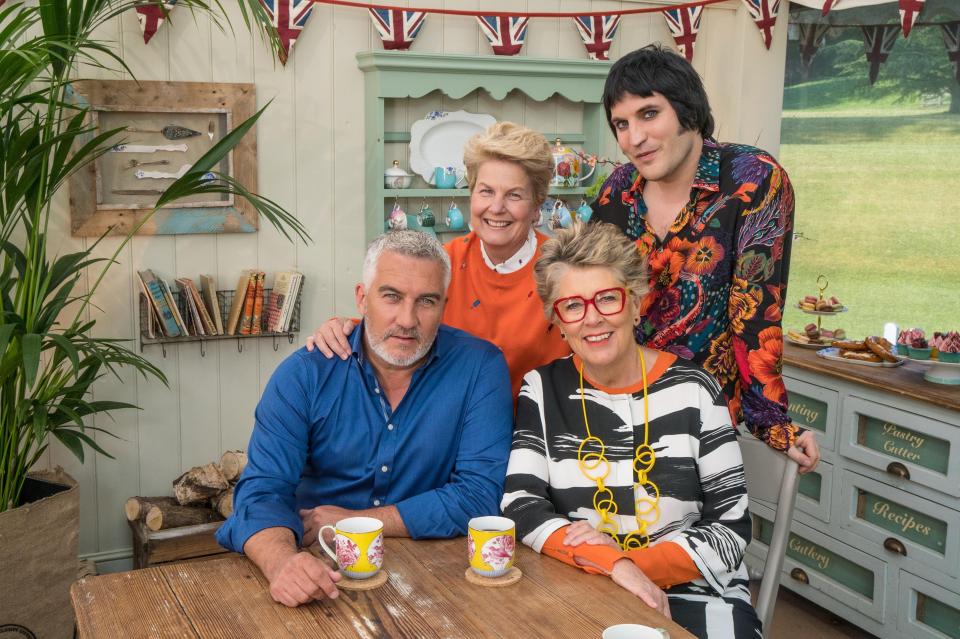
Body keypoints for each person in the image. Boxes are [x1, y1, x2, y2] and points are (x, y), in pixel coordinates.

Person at [216, 230, 513, 607]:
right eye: (391, 296)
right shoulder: (305, 374)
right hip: (317, 569)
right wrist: (282, 564)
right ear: (362, 298)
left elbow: (479, 495)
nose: (407, 319)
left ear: (444, 305)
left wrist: (355, 521)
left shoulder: (479, 367)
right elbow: (261, 492)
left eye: (426, 301)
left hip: (439, 576)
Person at [502, 222, 761, 639]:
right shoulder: (542, 388)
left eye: (607, 298)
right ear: (558, 321)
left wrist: (631, 564)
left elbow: (731, 528)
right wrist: (614, 565)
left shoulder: (695, 389)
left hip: (695, 590)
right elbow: (521, 505)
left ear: (636, 303)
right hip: (582, 584)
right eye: (572, 306)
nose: (592, 319)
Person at [591, 45, 819, 473]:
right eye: (620, 124)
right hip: (611, 409)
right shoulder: (616, 189)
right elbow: (593, 299)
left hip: (701, 422)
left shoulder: (752, 179)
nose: (633, 138)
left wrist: (772, 422)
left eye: (648, 114)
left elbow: (755, 312)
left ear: (687, 109)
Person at [307, 122, 570, 397]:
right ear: (471, 193)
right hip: (454, 430)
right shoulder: (441, 264)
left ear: (537, 203)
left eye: (514, 195)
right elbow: (398, 321)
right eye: (486, 191)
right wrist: (342, 329)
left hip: (542, 433)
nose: (496, 207)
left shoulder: (564, 268)